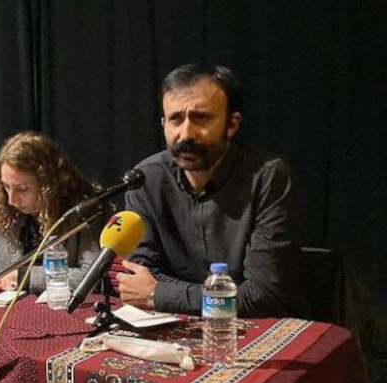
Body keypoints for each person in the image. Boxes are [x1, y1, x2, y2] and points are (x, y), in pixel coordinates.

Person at [117, 64, 298, 318]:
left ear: (231, 124)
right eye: (175, 119)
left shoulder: (268, 178)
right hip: (171, 324)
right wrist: (216, 295)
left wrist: (160, 293)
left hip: (254, 327)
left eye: (200, 118)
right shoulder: (145, 179)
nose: (186, 133)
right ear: (163, 124)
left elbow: (262, 295)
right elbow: (139, 278)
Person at [0, 131, 101, 295]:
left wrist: (25, 277)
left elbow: (91, 277)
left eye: (22, 189)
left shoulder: (81, 211)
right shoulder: (6, 210)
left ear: (48, 185)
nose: (11, 199)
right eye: (6, 187)